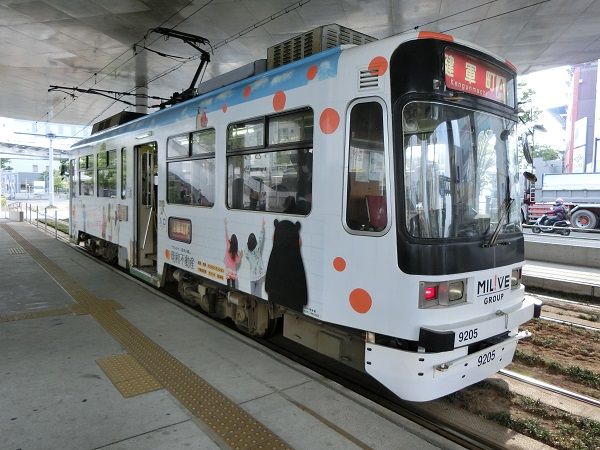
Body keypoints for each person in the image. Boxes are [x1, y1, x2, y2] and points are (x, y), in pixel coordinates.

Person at [245, 219, 266, 297]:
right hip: (260, 274)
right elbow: (261, 238)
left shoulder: (247, 250)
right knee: (258, 293)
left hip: (252, 276)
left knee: (252, 294)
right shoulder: (258, 248)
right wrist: (262, 226)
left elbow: (246, 255)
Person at [224, 219, 243, 288]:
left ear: (231, 240)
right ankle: (233, 292)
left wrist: (225, 225)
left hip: (228, 268)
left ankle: (228, 292)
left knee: (228, 282)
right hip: (233, 270)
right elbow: (237, 261)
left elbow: (226, 236)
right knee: (233, 284)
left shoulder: (228, 245)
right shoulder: (235, 252)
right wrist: (240, 256)